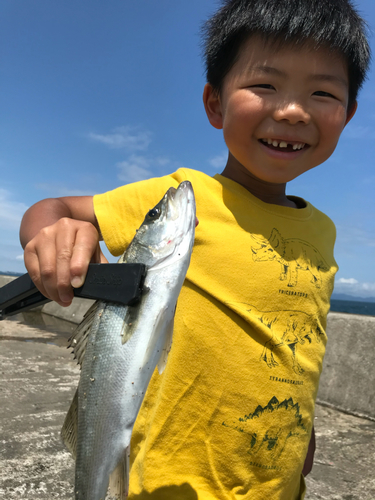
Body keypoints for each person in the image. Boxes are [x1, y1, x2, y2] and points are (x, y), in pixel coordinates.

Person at [19, 0, 370, 498]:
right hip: (167, 484)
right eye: (265, 85)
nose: (292, 110)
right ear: (215, 104)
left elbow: (294, 341)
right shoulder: (186, 197)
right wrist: (53, 235)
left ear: (348, 114)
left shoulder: (324, 232)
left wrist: (301, 423)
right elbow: (52, 208)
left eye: (321, 92)